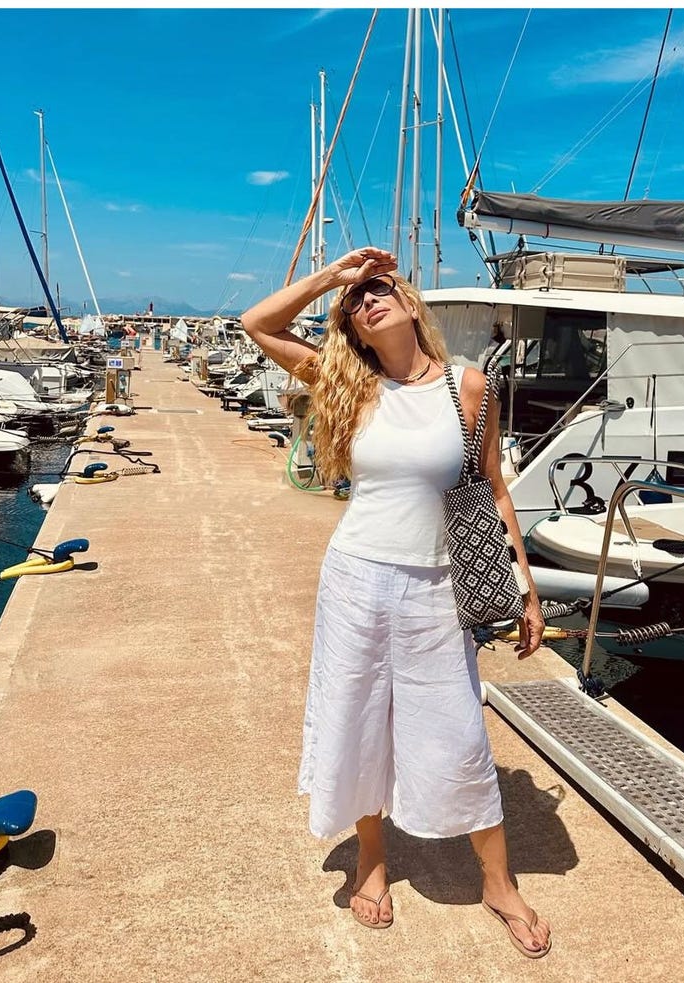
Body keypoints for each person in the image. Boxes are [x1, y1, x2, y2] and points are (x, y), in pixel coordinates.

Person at [240, 247, 551, 958]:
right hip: (355, 580)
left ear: (411, 304)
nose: (367, 300)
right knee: (360, 723)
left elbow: (494, 485)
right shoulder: (348, 381)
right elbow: (255, 322)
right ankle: (370, 861)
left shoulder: (469, 387)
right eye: (359, 299)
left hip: (438, 590)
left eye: (380, 288)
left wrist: (525, 585)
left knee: (460, 736)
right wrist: (334, 277)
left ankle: (498, 882)